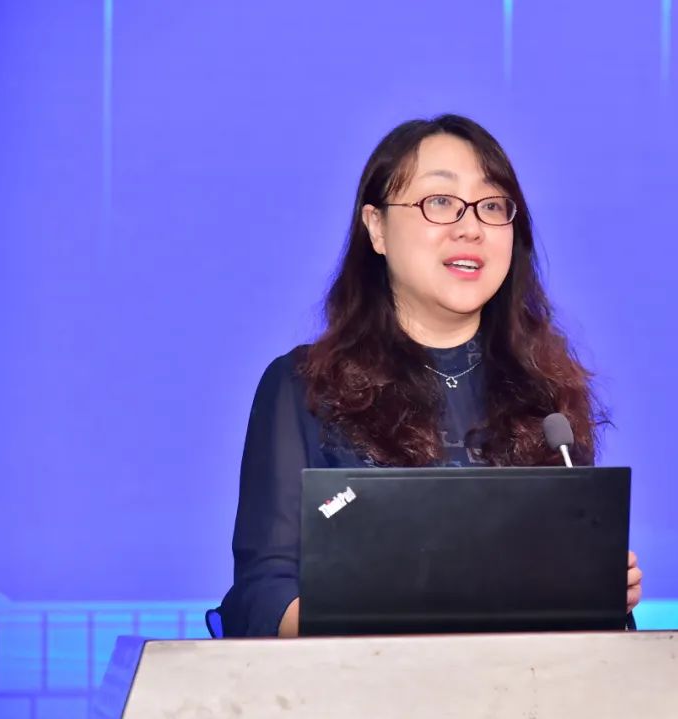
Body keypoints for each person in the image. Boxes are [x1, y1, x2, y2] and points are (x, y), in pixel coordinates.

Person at [217, 114, 642, 637]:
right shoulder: (305, 387)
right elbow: (263, 596)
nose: (471, 227)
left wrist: (599, 592)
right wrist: (390, 620)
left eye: (492, 206)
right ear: (376, 228)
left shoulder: (547, 397)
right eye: (440, 202)